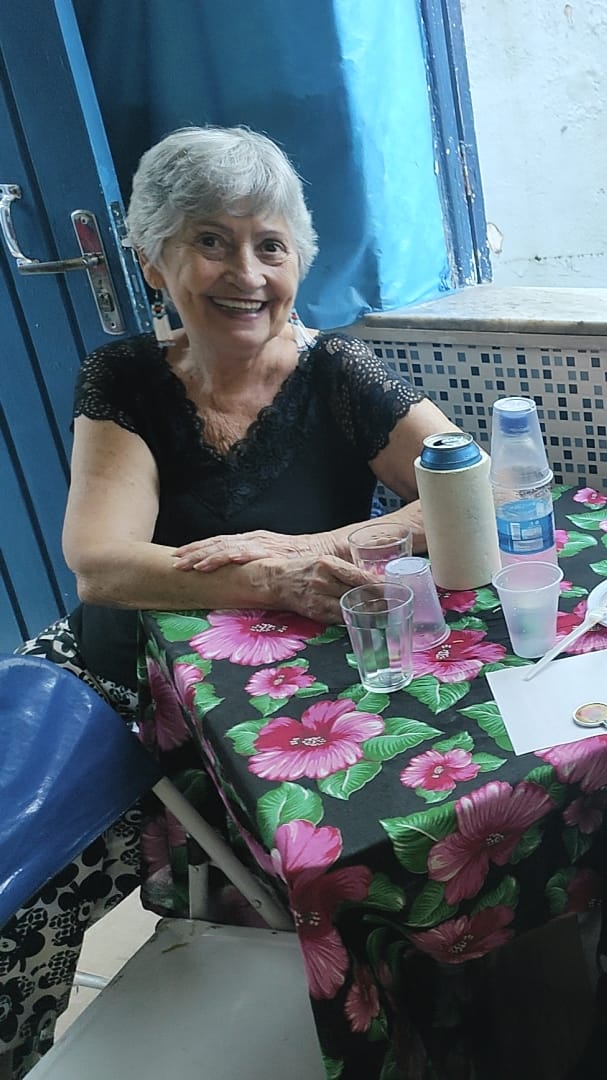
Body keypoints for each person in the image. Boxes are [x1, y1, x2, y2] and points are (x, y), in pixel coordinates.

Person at [2, 125, 456, 1078]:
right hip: (120, 670)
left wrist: (305, 548)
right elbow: (103, 566)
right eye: (210, 240)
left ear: (298, 263)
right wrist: (266, 577)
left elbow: (472, 487)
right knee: (17, 898)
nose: (245, 273)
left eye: (269, 245)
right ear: (153, 260)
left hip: (274, 688)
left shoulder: (337, 373)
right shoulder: (124, 377)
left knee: (377, 849)